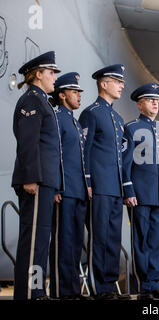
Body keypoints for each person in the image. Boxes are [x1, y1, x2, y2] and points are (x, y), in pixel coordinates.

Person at [11, 51, 63, 300]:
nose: (54, 77)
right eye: (51, 72)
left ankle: (37, 290)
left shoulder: (43, 100)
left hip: (46, 182)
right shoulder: (32, 100)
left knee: (41, 239)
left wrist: (54, 186)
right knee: (33, 241)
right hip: (36, 181)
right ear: (38, 74)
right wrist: (30, 178)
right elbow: (28, 143)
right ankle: (30, 293)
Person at [78, 64, 129, 300]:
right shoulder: (91, 113)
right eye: (117, 81)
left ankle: (108, 286)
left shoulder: (117, 118)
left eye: (121, 82)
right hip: (98, 186)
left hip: (115, 188)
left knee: (112, 238)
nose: (121, 85)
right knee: (99, 238)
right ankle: (98, 287)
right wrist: (87, 181)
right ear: (103, 83)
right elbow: (84, 151)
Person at [122, 83, 159, 300]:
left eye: (157, 100)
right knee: (141, 239)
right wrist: (128, 189)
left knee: (156, 240)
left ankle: (154, 282)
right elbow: (125, 163)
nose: (155, 103)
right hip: (140, 194)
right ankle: (142, 284)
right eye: (150, 99)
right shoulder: (131, 128)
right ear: (140, 104)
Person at [48, 72, 89, 300]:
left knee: (74, 243)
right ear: (62, 95)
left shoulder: (74, 121)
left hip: (79, 190)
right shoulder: (57, 118)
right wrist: (56, 187)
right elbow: (55, 155)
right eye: (74, 92)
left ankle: (72, 289)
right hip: (65, 190)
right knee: (63, 242)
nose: (79, 96)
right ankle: (61, 290)